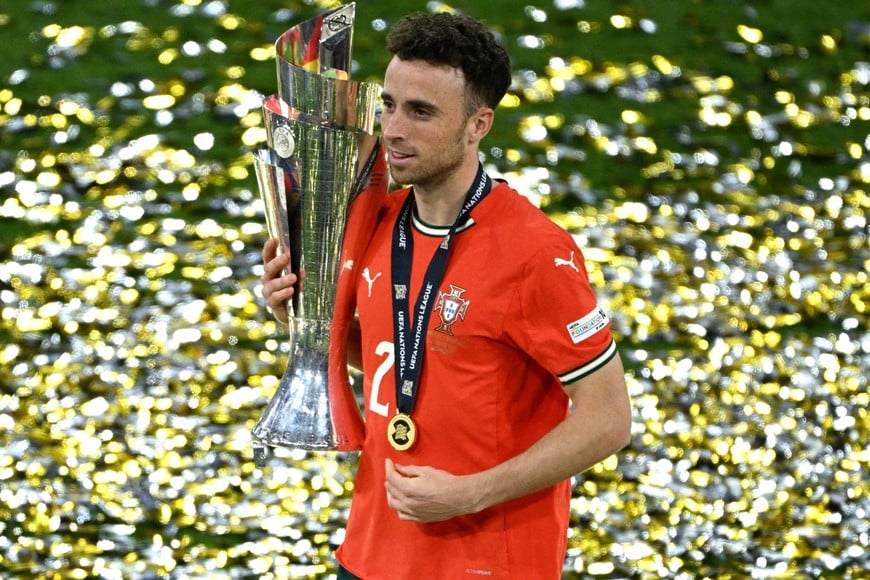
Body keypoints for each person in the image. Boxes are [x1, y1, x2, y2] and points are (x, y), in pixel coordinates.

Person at [260, 11, 632, 580]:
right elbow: (394, 357)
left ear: (478, 124)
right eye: (387, 105)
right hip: (368, 554)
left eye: (421, 112)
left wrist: (472, 493)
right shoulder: (375, 215)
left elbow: (609, 419)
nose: (393, 128)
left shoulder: (535, 254)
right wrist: (304, 321)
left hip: (484, 562)